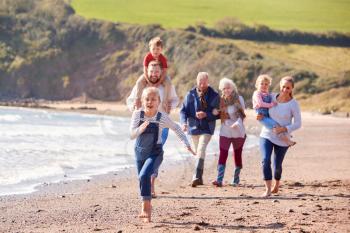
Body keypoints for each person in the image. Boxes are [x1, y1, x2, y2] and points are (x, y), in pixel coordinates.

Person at [130, 87, 195, 223]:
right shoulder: (137, 114)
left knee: (144, 175)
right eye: (147, 99)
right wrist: (139, 129)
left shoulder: (161, 117)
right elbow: (131, 134)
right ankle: (147, 204)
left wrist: (186, 144)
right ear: (142, 101)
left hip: (155, 153)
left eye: (153, 99)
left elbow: (176, 128)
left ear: (158, 101)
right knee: (142, 179)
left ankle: (146, 208)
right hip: (140, 152)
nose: (150, 101)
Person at [127, 60, 179, 197]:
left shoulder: (166, 85)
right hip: (144, 125)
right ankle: (146, 183)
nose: (154, 74)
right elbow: (130, 99)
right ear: (147, 72)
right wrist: (134, 107)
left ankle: (151, 185)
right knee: (144, 154)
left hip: (161, 125)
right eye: (151, 71)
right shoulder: (141, 85)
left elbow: (175, 99)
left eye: (156, 72)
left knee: (155, 154)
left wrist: (170, 107)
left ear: (160, 72)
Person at [257, 76, 302, 197]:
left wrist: (284, 128)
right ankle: (267, 189)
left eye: (288, 87)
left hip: (283, 137)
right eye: (283, 87)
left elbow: (298, 123)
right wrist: (259, 114)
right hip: (266, 134)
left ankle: (276, 184)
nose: (285, 89)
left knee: (277, 165)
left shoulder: (294, 104)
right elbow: (260, 106)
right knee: (265, 160)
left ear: (292, 88)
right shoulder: (271, 97)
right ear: (280, 86)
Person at [180, 72, 219, 187]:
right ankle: (199, 178)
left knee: (201, 149)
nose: (202, 85)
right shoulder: (190, 94)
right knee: (198, 152)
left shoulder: (214, 95)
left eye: (204, 83)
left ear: (208, 82)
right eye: (200, 82)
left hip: (207, 128)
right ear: (197, 82)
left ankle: (195, 176)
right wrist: (183, 123)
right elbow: (183, 111)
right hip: (193, 128)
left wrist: (206, 114)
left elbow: (218, 113)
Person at [211, 78, 246, 187]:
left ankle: (236, 179)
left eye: (228, 88)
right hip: (225, 130)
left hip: (238, 131)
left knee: (237, 154)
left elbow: (242, 114)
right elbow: (216, 112)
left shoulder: (239, 99)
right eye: (224, 88)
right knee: (223, 153)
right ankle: (219, 180)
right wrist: (215, 112)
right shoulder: (221, 100)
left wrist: (237, 124)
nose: (226, 90)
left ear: (233, 88)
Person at [253, 74, 296, 146]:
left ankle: (285, 135)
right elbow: (260, 104)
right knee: (275, 125)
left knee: (276, 125)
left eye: (266, 84)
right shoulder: (257, 93)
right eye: (261, 84)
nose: (264, 85)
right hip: (262, 116)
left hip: (267, 115)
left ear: (268, 85)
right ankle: (287, 140)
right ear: (257, 85)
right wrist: (271, 105)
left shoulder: (268, 94)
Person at [134, 37, 172, 111]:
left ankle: (165, 101)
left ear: (161, 49)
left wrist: (159, 82)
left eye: (158, 49)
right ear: (150, 49)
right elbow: (145, 70)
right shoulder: (147, 57)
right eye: (153, 49)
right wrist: (148, 81)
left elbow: (164, 71)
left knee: (168, 83)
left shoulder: (163, 58)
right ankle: (137, 100)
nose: (155, 51)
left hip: (161, 75)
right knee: (139, 82)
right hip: (148, 74)